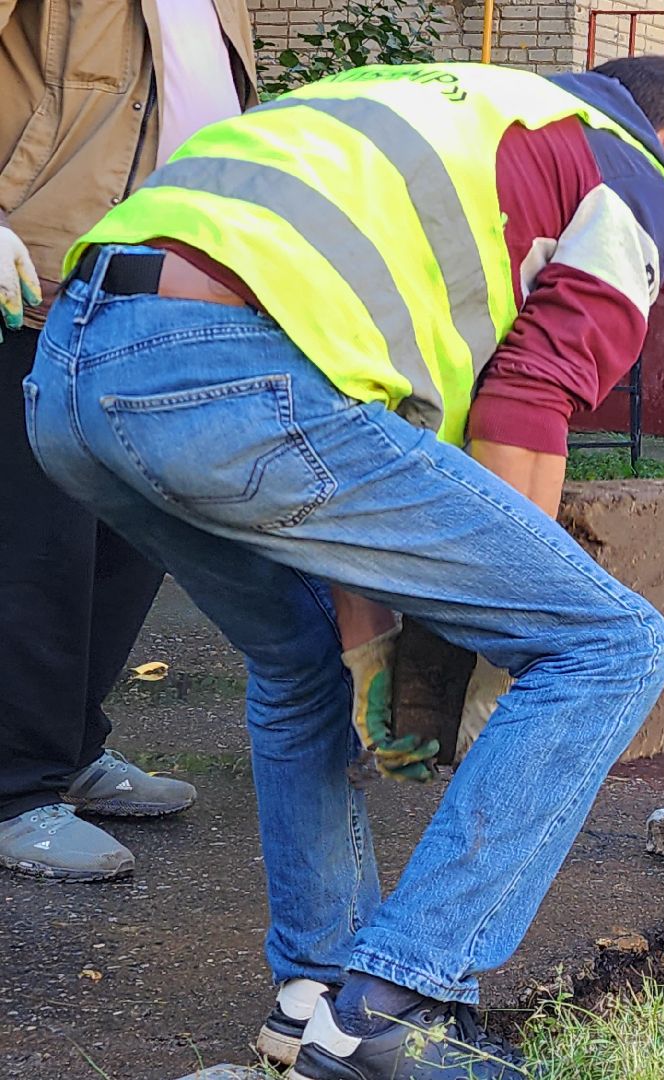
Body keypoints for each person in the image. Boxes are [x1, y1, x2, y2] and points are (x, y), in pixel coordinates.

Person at [24, 56, 664, 1080]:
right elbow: (530, 399)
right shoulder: (631, 166)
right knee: (610, 644)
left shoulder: (454, 111)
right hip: (229, 369)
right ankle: (403, 1004)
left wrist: (377, 671)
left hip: (73, 376)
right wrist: (497, 640)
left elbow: (357, 473)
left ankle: (317, 1001)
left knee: (297, 656)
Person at [0, 0, 256, 882]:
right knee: (38, 544)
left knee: (135, 534)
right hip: (38, 271)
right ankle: (13, 785)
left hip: (165, 290)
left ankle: (69, 748)